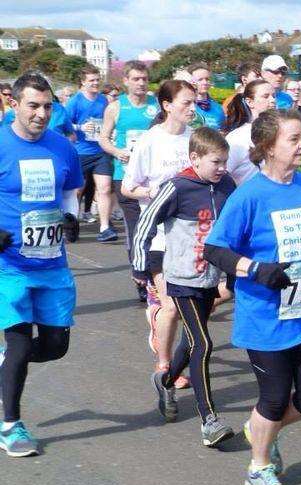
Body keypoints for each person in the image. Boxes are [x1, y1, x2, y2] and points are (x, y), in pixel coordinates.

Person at [204, 108, 301, 485]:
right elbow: (214, 248)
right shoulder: (249, 195)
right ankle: (259, 467)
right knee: (273, 397)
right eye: (294, 139)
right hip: (265, 317)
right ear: (267, 147)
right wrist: (255, 269)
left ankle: (259, 429)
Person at [133, 127, 237, 445]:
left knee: (191, 342)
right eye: (216, 162)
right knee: (203, 343)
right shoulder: (177, 187)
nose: (222, 168)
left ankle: (164, 381)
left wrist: (233, 272)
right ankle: (209, 420)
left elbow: (235, 227)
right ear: (195, 158)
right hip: (180, 279)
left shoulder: (227, 185)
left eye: (225, 162)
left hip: (210, 277)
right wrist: (140, 265)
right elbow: (146, 223)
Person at [0, 73, 83, 456]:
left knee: (55, 346)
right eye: (33, 105)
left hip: (51, 262)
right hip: (8, 264)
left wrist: (71, 218)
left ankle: (6, 367)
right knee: (18, 344)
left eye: (47, 106)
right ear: (13, 104)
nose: (41, 113)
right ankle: (11, 425)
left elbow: (69, 193)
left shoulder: (62, 147)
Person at [122, 80, 195, 379]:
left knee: (196, 306)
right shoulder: (151, 140)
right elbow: (128, 188)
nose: (192, 108)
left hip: (190, 236)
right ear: (167, 106)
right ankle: (166, 367)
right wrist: (156, 193)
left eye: (195, 102)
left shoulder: (195, 139)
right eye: (186, 103)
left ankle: (159, 315)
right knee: (172, 308)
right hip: (158, 236)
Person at [99, 60, 160, 301]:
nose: (141, 83)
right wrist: (117, 151)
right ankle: (140, 276)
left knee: (156, 229)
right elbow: (103, 138)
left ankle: (156, 276)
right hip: (124, 177)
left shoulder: (156, 106)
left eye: (144, 79)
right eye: (135, 79)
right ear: (125, 81)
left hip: (153, 177)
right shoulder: (116, 107)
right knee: (136, 229)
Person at [66, 65, 115, 242]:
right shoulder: (75, 101)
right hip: (80, 151)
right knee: (77, 191)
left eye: (97, 79)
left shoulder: (103, 100)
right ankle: (72, 224)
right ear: (83, 82)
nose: (95, 83)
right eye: (91, 80)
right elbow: (64, 124)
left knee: (105, 188)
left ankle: (105, 228)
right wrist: (80, 127)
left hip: (100, 150)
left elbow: (110, 121)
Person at [223, 79, 277, 185]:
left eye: (274, 96)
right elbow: (223, 173)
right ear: (249, 102)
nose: (272, 100)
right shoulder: (237, 138)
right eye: (265, 96)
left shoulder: (280, 132)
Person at [187, 63, 225, 130]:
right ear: (191, 82)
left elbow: (223, 130)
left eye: (207, 79)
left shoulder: (218, 108)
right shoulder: (185, 107)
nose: (205, 82)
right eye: (200, 79)